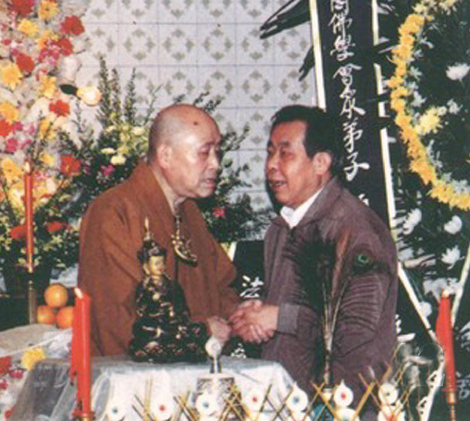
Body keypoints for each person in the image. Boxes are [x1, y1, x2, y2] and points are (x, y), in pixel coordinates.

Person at [230, 105, 397, 397]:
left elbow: (355, 330)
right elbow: (290, 314)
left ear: (320, 163)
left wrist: (278, 317)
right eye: (270, 152)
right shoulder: (280, 228)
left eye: (286, 153)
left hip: (343, 403)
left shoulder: (356, 231)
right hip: (287, 400)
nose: (271, 165)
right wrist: (256, 319)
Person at [78, 103, 239, 356]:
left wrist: (242, 317)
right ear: (165, 155)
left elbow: (223, 286)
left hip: (194, 376)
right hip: (138, 382)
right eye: (204, 153)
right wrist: (200, 332)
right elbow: (116, 321)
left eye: (217, 152)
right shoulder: (113, 211)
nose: (215, 164)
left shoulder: (190, 212)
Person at [128, 219, 210, 362]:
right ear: (146, 266)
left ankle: (175, 346)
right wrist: (158, 308)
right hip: (157, 325)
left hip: (174, 324)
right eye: (156, 263)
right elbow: (141, 310)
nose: (160, 266)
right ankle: (164, 348)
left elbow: (184, 309)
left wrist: (176, 313)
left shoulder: (173, 286)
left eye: (162, 262)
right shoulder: (144, 287)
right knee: (144, 329)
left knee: (198, 329)